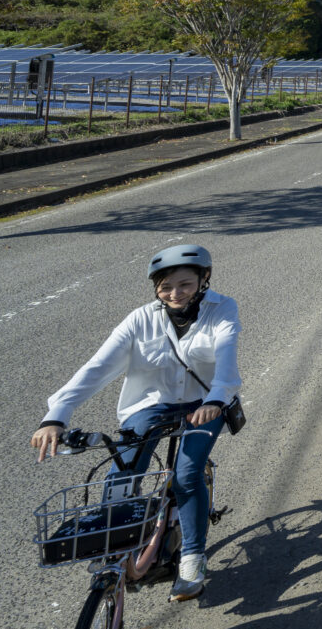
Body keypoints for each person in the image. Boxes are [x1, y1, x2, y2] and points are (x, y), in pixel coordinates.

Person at [31, 243, 240, 601]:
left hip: (206, 403)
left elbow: (226, 354)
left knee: (187, 474)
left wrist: (217, 398)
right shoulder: (140, 319)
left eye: (185, 284)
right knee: (124, 470)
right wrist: (56, 416)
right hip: (151, 404)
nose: (175, 294)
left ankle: (192, 555)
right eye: (165, 287)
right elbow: (96, 368)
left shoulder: (222, 309)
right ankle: (117, 544)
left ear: (204, 280)